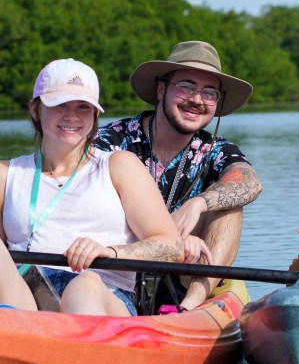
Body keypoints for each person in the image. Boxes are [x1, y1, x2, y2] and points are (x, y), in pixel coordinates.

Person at [0, 58, 183, 314]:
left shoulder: (120, 166)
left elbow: (172, 246)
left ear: (95, 114)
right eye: (60, 104)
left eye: (83, 107)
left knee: (83, 285)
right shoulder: (6, 174)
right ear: (35, 109)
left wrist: (110, 252)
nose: (71, 116)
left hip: (103, 295)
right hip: (27, 297)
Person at [95, 41, 263, 310]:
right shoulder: (111, 140)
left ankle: (191, 307)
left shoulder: (216, 149)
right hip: (118, 266)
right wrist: (167, 237)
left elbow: (250, 182)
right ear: (161, 89)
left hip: (183, 272)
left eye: (209, 93)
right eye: (186, 86)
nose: (197, 100)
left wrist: (197, 204)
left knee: (230, 205)